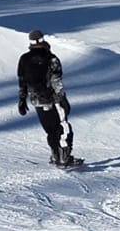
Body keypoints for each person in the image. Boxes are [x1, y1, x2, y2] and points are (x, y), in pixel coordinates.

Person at [17, 30, 80, 167]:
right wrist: (62, 98)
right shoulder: (50, 58)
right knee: (63, 126)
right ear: (42, 40)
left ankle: (55, 155)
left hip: (37, 101)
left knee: (50, 129)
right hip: (53, 99)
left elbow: (22, 81)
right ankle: (64, 157)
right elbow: (56, 80)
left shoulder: (24, 59)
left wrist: (22, 100)